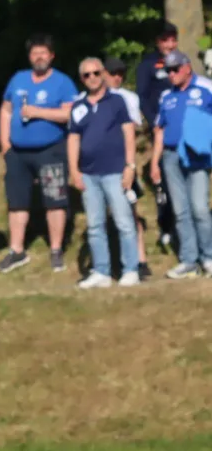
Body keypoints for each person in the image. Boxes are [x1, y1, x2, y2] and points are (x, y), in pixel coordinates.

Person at [0, 34, 78, 275]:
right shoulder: (18, 79)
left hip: (50, 150)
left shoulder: (62, 82)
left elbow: (69, 114)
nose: (39, 57)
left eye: (43, 52)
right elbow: (6, 110)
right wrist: (5, 145)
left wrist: (38, 112)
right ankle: (17, 250)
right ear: (30, 56)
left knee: (55, 200)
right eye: (35, 53)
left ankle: (55, 250)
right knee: (17, 201)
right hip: (18, 153)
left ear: (51, 55)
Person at [68, 57, 139, 289]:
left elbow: (129, 133)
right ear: (82, 79)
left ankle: (130, 269)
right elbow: (73, 138)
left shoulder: (117, 101)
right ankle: (101, 271)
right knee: (95, 224)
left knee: (124, 221)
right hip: (88, 174)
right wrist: (74, 171)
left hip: (115, 172)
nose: (92, 78)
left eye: (96, 73)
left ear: (103, 74)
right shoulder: (78, 106)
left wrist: (130, 166)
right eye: (87, 75)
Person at [150, 51, 212, 279]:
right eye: (168, 70)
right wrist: (154, 162)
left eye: (175, 69)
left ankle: (209, 256)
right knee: (180, 210)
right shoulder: (167, 96)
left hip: (197, 154)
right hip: (171, 155)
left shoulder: (206, 87)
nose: (172, 74)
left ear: (187, 67)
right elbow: (160, 129)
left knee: (199, 208)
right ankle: (188, 260)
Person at [103, 56, 151, 279]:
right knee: (100, 217)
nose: (117, 77)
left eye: (120, 73)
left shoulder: (128, 97)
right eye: (113, 73)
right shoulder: (87, 98)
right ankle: (106, 264)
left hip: (123, 163)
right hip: (98, 165)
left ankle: (141, 260)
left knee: (131, 212)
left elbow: (135, 126)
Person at [136, 21, 178, 249]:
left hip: (184, 131)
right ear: (157, 42)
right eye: (165, 40)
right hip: (161, 130)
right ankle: (166, 226)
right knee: (165, 181)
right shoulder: (148, 65)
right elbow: (142, 97)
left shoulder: (183, 62)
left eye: (173, 39)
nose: (170, 44)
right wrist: (154, 124)